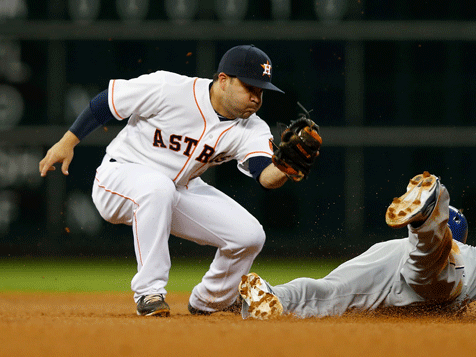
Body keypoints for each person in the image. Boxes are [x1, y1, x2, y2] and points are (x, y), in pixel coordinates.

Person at [39, 45, 320, 317]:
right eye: (250, 88)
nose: (256, 98)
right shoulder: (169, 88)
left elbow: (265, 176)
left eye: (261, 91)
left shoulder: (252, 128)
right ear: (223, 80)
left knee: (249, 236)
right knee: (157, 188)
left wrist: (285, 166)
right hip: (119, 177)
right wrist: (68, 141)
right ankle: (149, 292)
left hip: (176, 190)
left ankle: (211, 300)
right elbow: (108, 102)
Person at [239, 171, 476, 319]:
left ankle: (273, 294)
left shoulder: (388, 249)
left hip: (392, 262)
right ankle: (428, 222)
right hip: (428, 272)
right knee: (428, 266)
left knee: (327, 293)